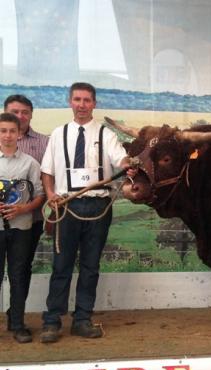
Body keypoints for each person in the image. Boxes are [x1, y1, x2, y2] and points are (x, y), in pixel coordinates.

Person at [40, 82, 135, 343]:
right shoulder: (58, 134)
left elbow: (120, 159)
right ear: (70, 102)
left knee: (90, 266)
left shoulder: (107, 135)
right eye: (77, 99)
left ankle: (82, 319)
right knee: (61, 265)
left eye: (87, 100)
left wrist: (128, 164)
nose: (82, 105)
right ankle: (52, 321)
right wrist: (51, 196)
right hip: (67, 206)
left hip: (98, 206)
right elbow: (47, 172)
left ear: (94, 103)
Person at [3, 94, 49, 332]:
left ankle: (16, 317)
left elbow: (48, 183)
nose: (20, 116)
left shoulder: (44, 143)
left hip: (30, 220)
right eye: (14, 111)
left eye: (24, 112)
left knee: (21, 269)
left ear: (31, 114)